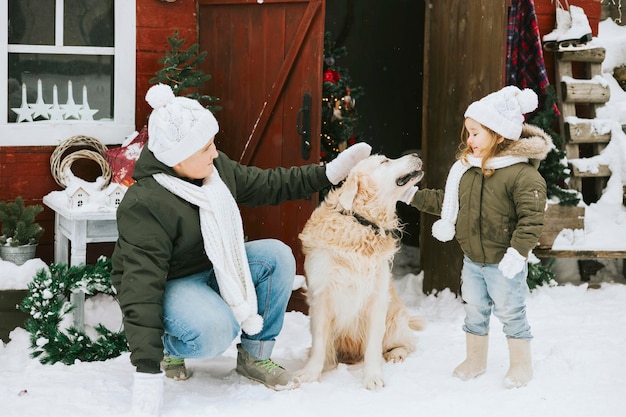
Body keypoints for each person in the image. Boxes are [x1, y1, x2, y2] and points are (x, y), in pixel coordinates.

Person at [111, 83, 371, 416]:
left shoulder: (213, 173)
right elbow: (140, 286)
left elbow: (269, 184)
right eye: (205, 148)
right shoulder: (146, 203)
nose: (215, 154)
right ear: (177, 156)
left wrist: (328, 173)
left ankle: (254, 356)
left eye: (212, 144)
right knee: (216, 330)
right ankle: (167, 347)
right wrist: (146, 369)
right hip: (169, 284)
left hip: (212, 268)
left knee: (276, 256)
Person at [401, 86, 552, 388]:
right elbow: (448, 203)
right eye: (467, 133)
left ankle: (521, 365)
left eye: (475, 133)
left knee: (511, 313)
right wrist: (411, 195)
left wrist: (517, 253)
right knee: (474, 309)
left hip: (505, 262)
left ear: (498, 134)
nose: (468, 140)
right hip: (473, 261)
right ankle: (475, 360)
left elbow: (531, 219)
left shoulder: (523, 176)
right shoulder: (467, 171)